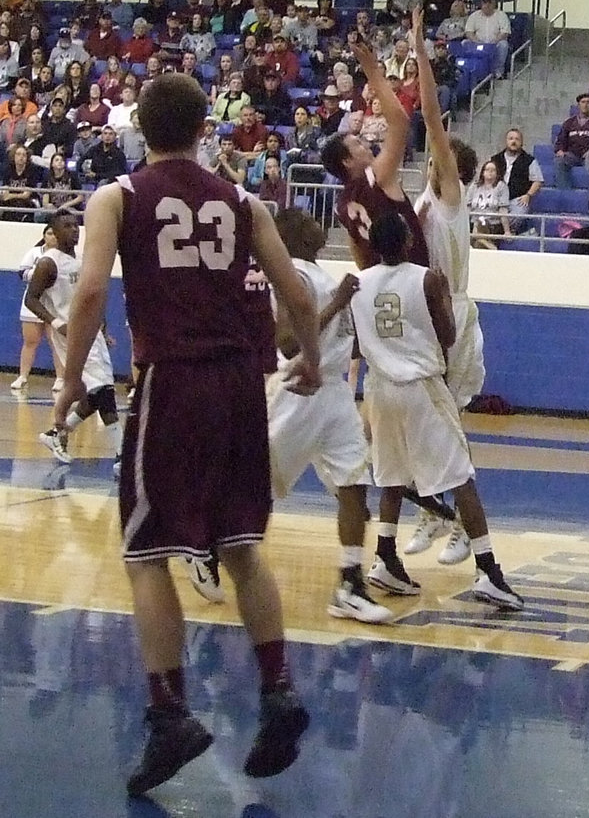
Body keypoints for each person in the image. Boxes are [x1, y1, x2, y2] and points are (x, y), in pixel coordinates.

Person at [52, 72, 323, 796]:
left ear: (140, 128)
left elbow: (89, 291)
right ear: (206, 129)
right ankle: (278, 689)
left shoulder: (118, 195)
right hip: (240, 387)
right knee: (241, 547)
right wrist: (314, 362)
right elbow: (298, 294)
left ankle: (169, 711)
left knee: (145, 554)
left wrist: (71, 380)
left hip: (172, 380)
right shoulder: (243, 201)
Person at [350, 209, 524, 610]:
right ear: (408, 241)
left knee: (392, 477)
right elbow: (447, 335)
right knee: (462, 477)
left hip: (379, 389)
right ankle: (488, 570)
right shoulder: (427, 278)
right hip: (420, 387)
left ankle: (385, 557)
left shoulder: (359, 283)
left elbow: (358, 344)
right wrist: (442, 300)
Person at [263, 209, 392, 625]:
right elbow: (287, 342)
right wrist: (338, 303)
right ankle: (207, 547)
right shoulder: (294, 274)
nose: (314, 222)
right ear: (292, 236)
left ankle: (350, 584)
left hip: (333, 392)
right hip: (297, 391)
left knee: (354, 483)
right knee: (252, 488)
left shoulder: (319, 273)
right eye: (304, 220)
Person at [390, 12, 485, 565]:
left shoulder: (451, 196)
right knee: (420, 420)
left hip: (452, 313)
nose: (430, 158)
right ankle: (431, 509)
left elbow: (429, 115)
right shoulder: (426, 199)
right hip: (424, 312)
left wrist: (421, 50)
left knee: (447, 421)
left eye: (439, 156)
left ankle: (464, 526)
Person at [23, 211, 121, 489]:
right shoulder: (48, 263)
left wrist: (103, 329)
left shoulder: (79, 261)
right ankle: (121, 454)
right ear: (53, 232)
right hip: (71, 335)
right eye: (66, 226)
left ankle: (57, 433)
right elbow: (31, 299)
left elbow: (89, 299)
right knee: (104, 390)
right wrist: (57, 323)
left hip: (91, 332)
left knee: (95, 391)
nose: (74, 230)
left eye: (76, 225)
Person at [321, 40, 428, 271]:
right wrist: (371, 70)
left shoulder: (342, 204)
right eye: (358, 144)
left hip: (376, 282)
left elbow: (358, 253)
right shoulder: (375, 177)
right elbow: (400, 122)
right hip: (408, 278)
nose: (366, 144)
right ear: (347, 161)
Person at [11, 224, 66, 396]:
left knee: (55, 343)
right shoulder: (34, 253)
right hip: (33, 303)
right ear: (44, 236)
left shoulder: (64, 256)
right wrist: (39, 274)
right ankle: (23, 376)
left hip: (54, 304)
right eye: (49, 233)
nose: (52, 237)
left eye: (55, 234)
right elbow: (22, 273)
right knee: (30, 341)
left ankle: (60, 378)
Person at [554, 93, 589, 189]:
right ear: (578, 105)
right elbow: (560, 140)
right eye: (583, 102)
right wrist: (559, 150)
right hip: (572, 155)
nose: (585, 105)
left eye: (588, 102)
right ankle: (565, 191)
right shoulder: (569, 123)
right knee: (559, 161)